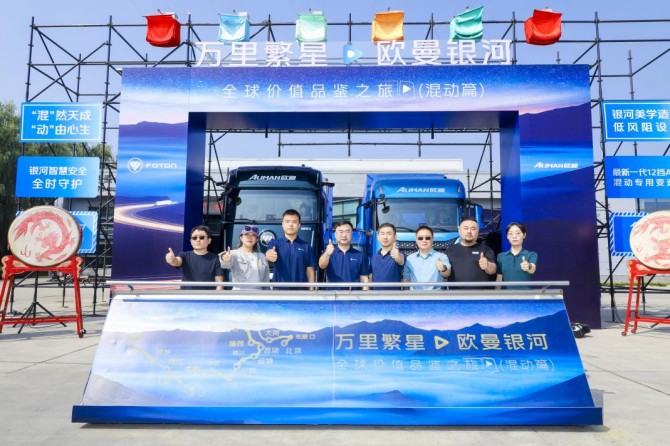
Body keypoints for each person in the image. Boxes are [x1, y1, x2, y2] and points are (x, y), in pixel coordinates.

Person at [265, 209, 316, 289]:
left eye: (294, 222)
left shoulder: (306, 246)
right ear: (282, 224)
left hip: (302, 291)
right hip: (279, 291)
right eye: (287, 221)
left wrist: (311, 290)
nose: (291, 225)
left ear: (299, 225)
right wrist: (269, 255)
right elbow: (268, 254)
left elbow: (310, 270)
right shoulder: (274, 244)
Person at [165, 225, 224, 290]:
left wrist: (217, 296)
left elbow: (219, 282)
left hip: (207, 295)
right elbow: (177, 261)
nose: (198, 240)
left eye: (201, 237)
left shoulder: (215, 258)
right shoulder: (184, 255)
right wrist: (172, 259)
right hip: (187, 295)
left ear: (209, 240)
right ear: (191, 241)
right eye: (194, 238)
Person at [318, 221, 370, 290]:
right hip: (333, 294)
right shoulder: (329, 252)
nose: (344, 235)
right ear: (335, 234)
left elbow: (364, 278)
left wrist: (365, 295)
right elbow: (322, 265)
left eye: (347, 232)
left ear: (352, 234)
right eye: (341, 232)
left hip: (354, 295)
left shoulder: (361, 256)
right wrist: (327, 253)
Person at [446, 217, 496, 286]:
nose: (469, 231)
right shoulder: (450, 250)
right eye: (466, 228)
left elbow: (493, 270)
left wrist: (487, 265)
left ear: (478, 232)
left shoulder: (486, 250)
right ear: (459, 231)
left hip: (482, 292)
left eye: (473, 229)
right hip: (456, 292)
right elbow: (445, 274)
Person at [219, 224, 270, 289]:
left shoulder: (262, 256)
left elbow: (266, 279)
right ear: (241, 238)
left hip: (259, 293)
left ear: (257, 239)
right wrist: (224, 258)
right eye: (246, 234)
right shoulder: (234, 253)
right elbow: (225, 264)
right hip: (240, 293)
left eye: (253, 235)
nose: (249, 237)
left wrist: (267, 293)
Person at [403, 225, 450, 290]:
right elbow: (406, 279)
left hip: (436, 295)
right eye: (420, 238)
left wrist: (443, 268)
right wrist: (406, 294)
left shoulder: (441, 256)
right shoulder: (409, 259)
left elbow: (447, 274)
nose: (424, 240)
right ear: (416, 240)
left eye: (427, 238)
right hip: (415, 295)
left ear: (432, 239)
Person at [496, 222, 537, 289]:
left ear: (524, 235)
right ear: (507, 236)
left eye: (518, 233)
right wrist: (496, 293)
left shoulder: (531, 254)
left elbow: (532, 269)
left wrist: (528, 266)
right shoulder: (501, 256)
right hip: (507, 294)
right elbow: (499, 279)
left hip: (525, 294)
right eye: (510, 233)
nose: (514, 236)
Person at [370, 222, 405, 290]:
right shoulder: (374, 257)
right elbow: (371, 276)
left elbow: (401, 260)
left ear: (395, 237)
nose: (385, 237)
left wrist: (397, 255)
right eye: (382, 234)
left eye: (389, 234)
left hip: (393, 295)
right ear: (378, 237)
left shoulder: (400, 254)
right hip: (376, 295)